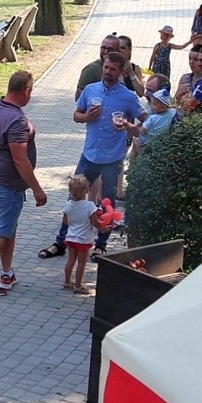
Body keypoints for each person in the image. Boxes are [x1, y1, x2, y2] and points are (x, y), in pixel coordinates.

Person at [39, 52, 144, 259]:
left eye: (113, 69)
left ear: (121, 71)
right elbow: (76, 115)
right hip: (89, 155)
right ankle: (61, 242)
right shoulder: (91, 90)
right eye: (106, 67)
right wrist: (87, 116)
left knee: (107, 202)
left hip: (112, 158)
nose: (108, 72)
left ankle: (101, 245)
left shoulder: (128, 97)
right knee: (73, 197)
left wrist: (129, 126)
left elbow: (146, 123)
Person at [0, 70, 47, 296]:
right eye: (31, 91)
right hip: (7, 184)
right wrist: (37, 189)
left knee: (9, 228)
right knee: (2, 230)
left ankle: (7, 273)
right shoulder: (16, 120)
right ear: (25, 90)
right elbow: (19, 158)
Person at [61, 174, 99, 295]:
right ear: (88, 190)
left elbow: (65, 222)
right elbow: (95, 222)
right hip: (83, 239)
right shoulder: (90, 206)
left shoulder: (68, 205)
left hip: (71, 237)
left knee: (71, 260)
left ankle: (67, 282)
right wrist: (103, 228)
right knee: (82, 263)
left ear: (70, 191)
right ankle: (78, 285)